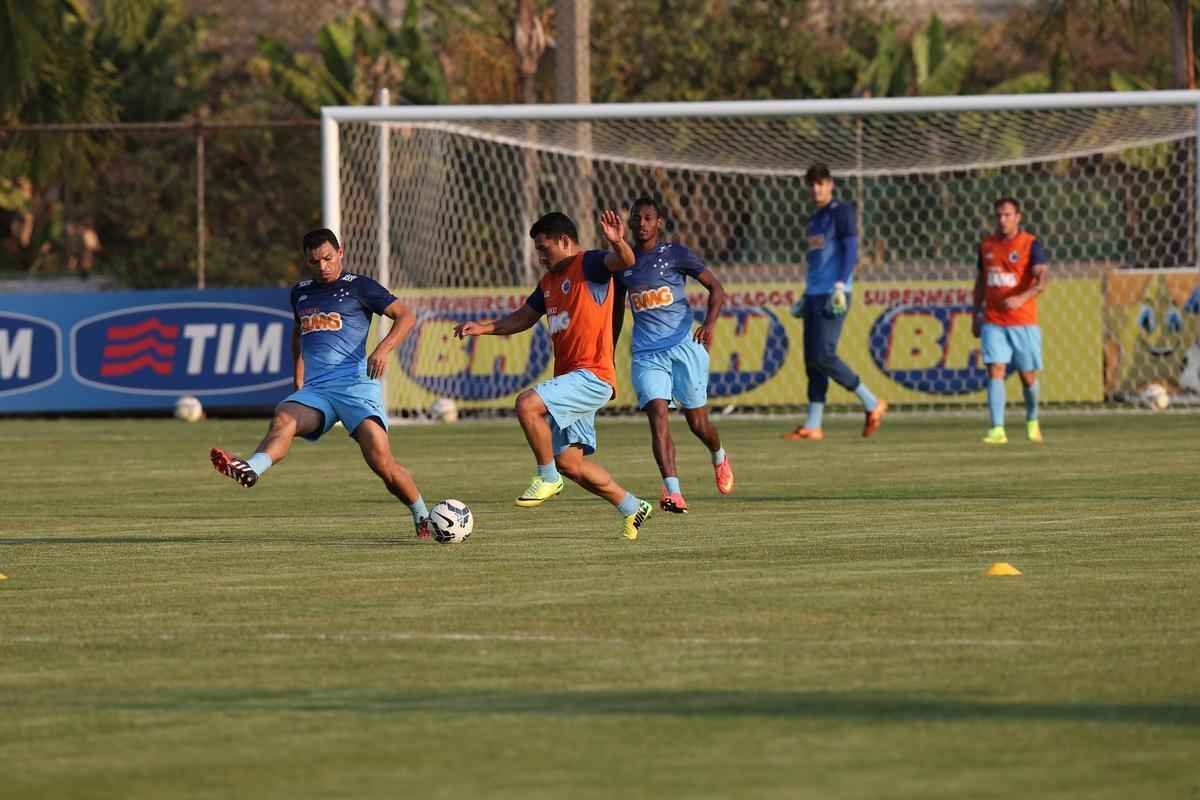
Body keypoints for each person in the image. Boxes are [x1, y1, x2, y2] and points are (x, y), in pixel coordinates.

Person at [210, 228, 435, 538]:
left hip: (356, 387)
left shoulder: (360, 287)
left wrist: (382, 350)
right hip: (318, 390)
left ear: (340, 253)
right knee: (284, 417)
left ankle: (421, 514)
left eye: (328, 258)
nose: (323, 266)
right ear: (306, 261)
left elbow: (406, 316)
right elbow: (299, 332)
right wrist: (298, 376)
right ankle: (252, 468)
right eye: (315, 262)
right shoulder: (300, 293)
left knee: (381, 461)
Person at [453, 210, 653, 540]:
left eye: (544, 249)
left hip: (592, 374)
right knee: (571, 464)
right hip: (572, 377)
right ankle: (632, 506)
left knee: (527, 404)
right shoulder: (547, 284)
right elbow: (523, 318)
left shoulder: (589, 264)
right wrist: (484, 328)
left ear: (564, 241)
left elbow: (625, 261)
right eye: (537, 251)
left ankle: (547, 477)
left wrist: (618, 242)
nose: (541, 257)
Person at [609, 196, 733, 515]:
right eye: (637, 218)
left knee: (698, 424)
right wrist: (608, 350)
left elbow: (716, 289)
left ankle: (718, 454)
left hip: (684, 347)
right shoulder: (622, 263)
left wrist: (710, 323)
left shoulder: (675, 254)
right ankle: (673, 491)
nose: (642, 223)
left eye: (648, 218)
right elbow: (616, 312)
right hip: (647, 354)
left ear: (659, 222)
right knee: (658, 415)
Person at [785, 163, 887, 441]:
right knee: (812, 361)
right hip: (814, 294)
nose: (816, 189)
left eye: (820, 183)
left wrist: (841, 284)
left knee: (824, 355)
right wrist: (806, 295)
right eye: (812, 184)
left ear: (830, 184)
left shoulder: (841, 212)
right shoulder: (814, 219)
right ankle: (813, 425)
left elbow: (851, 250)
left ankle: (872, 402)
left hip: (834, 294)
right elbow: (816, 261)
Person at [972, 197, 1049, 444]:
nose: (1002, 220)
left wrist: (1021, 298)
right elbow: (981, 281)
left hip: (1023, 321)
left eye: (1007, 215)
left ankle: (1032, 420)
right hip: (993, 320)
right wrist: (975, 313)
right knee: (995, 370)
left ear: (1018, 217)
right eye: (999, 215)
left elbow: (1042, 280)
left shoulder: (1030, 244)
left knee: (1027, 376)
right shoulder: (986, 245)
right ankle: (997, 429)